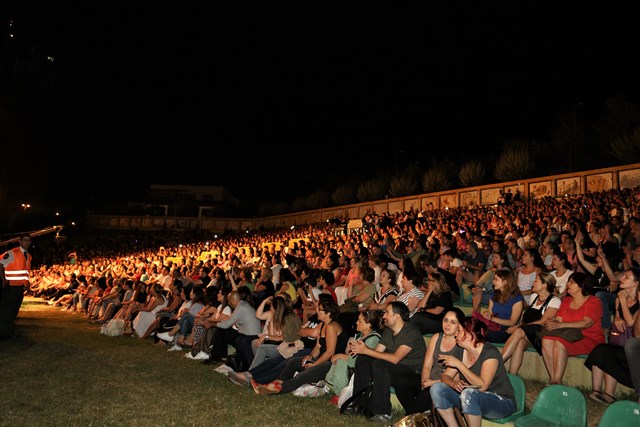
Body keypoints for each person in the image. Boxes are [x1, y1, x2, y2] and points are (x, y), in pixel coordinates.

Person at [347, 301, 427, 424]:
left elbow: (395, 358)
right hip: (393, 368)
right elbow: (377, 352)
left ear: (397, 316)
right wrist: (362, 349)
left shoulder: (411, 332)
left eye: (387, 312)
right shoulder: (388, 331)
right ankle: (358, 405)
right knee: (364, 359)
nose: (384, 316)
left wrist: (367, 350)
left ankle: (383, 412)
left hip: (411, 373)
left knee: (380, 364)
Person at [430, 316, 517, 426]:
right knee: (437, 389)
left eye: (459, 331)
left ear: (469, 335)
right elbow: (445, 376)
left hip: (501, 402)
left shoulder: (490, 352)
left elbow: (482, 386)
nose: (455, 334)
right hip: (472, 398)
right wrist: (453, 383)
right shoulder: (461, 350)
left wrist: (459, 365)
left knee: (468, 394)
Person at [249, 299, 348, 395]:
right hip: (322, 360)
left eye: (320, 309)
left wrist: (314, 364)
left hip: (331, 364)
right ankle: (277, 382)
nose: (316, 311)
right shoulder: (322, 325)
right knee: (293, 361)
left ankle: (277, 389)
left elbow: (330, 352)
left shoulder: (332, 327)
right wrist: (310, 356)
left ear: (328, 313)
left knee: (303, 375)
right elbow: (318, 347)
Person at [395, 307, 466, 418]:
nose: (447, 324)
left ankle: (408, 418)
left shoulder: (462, 344)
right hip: (429, 380)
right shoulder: (436, 337)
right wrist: (424, 382)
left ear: (459, 326)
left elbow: (456, 379)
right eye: (445, 320)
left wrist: (431, 383)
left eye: (453, 322)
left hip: (447, 385)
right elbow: (427, 365)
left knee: (429, 391)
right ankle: (417, 415)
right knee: (401, 381)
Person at [584, 267, 639, 404]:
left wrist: (623, 300)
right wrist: (617, 317)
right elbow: (618, 318)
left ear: (636, 283)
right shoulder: (618, 299)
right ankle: (597, 391)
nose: (621, 278)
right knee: (601, 349)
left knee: (608, 353)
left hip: (633, 351)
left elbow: (631, 322)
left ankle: (609, 394)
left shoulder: (635, 302)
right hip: (619, 343)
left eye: (626, 277)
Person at [541, 272, 606, 384]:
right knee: (546, 340)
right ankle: (553, 378)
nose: (567, 284)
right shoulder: (566, 301)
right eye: (568, 282)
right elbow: (559, 320)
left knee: (560, 342)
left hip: (588, 338)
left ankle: (556, 380)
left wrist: (560, 325)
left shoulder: (593, 301)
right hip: (569, 335)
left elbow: (587, 323)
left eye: (571, 282)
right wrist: (552, 323)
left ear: (581, 285)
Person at [500, 271, 561, 374]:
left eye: (536, 281)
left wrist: (519, 327)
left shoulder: (554, 301)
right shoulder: (533, 297)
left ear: (544, 285)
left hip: (541, 335)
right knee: (519, 343)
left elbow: (542, 322)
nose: (533, 283)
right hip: (528, 334)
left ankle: (497, 364)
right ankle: (512, 375)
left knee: (518, 331)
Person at [325, 309, 383, 405]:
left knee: (341, 361)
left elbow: (360, 361)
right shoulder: (360, 336)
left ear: (368, 325)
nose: (356, 322)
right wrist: (348, 349)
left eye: (360, 321)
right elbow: (351, 355)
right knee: (339, 359)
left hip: (365, 370)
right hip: (356, 366)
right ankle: (331, 386)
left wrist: (341, 356)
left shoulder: (373, 339)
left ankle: (339, 394)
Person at [475, 269, 524, 343]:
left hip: (506, 329)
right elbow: (490, 312)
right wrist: (486, 315)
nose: (493, 282)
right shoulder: (494, 295)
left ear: (505, 282)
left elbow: (512, 322)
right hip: (492, 325)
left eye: (496, 279)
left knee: (487, 334)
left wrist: (492, 318)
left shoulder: (517, 298)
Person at [0, 234, 32, 341]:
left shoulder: (28, 256)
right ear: (20, 241)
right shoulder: (13, 253)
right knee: (7, 310)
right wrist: (3, 279)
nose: (27, 242)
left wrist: (27, 286)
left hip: (19, 287)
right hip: (11, 287)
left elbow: (25, 273)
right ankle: (4, 333)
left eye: (29, 240)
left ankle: (9, 332)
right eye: (25, 240)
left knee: (14, 311)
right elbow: (1, 263)